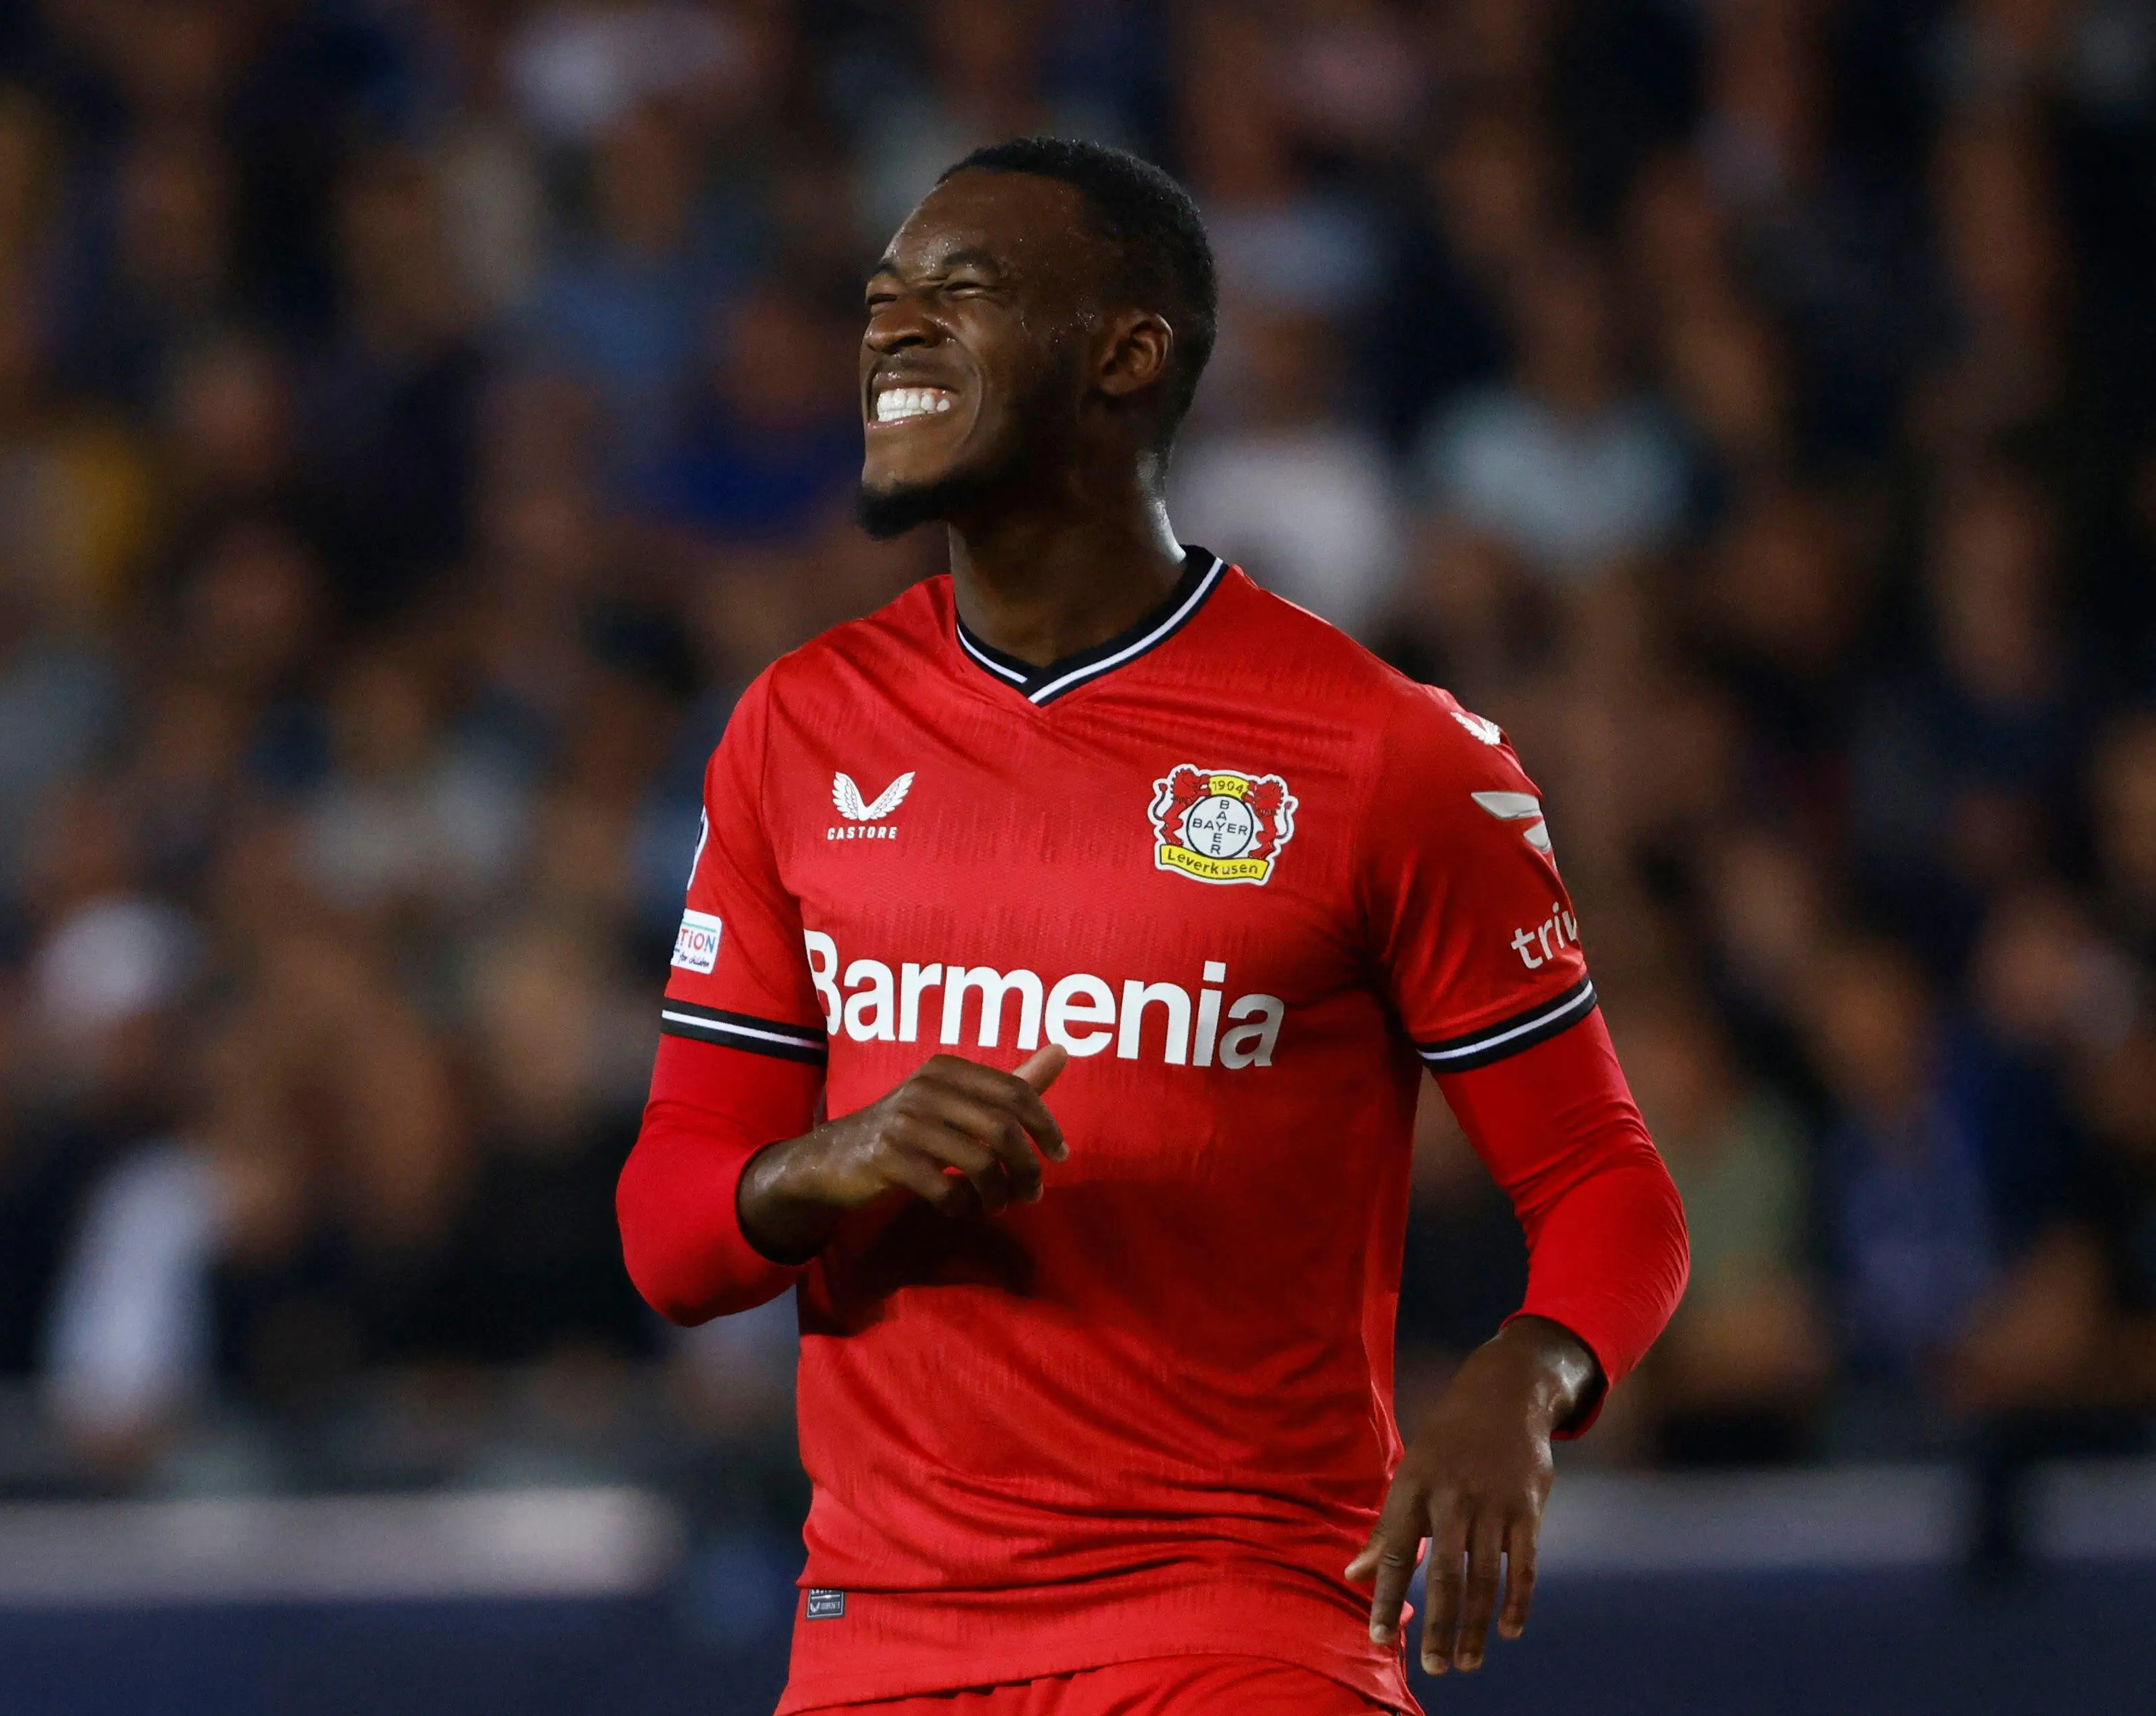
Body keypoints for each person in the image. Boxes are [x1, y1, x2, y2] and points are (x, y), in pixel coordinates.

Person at [618, 138, 1688, 1716]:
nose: (891, 330)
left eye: (959, 292)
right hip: (879, 1643)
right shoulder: (799, 731)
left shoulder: (1379, 754)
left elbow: (1605, 1182)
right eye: (882, 298)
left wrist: (1525, 1381)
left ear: (1128, 354)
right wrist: (821, 1163)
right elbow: (669, 1227)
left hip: (1237, 1624)